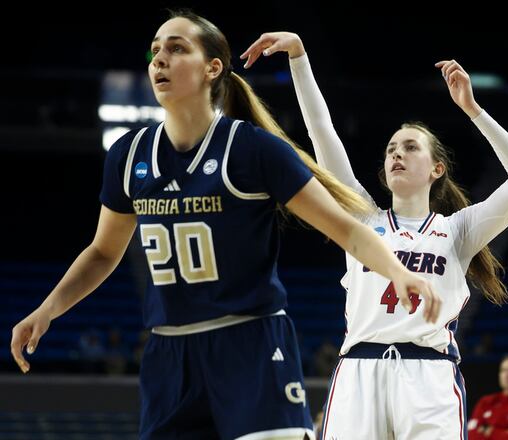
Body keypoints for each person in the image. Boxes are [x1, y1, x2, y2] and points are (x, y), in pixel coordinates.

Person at [9, 10, 440, 440]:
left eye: (177, 49)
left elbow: (345, 228)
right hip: (169, 353)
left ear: (212, 68)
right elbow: (103, 252)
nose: (160, 59)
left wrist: (399, 273)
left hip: (251, 342)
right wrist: (48, 310)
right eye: (155, 50)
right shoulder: (129, 156)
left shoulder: (253, 150)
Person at [241, 32, 508, 439]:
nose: (397, 153)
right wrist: (299, 57)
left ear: (437, 169)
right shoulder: (362, 218)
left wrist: (473, 110)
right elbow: (320, 130)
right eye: (391, 149)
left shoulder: (457, 230)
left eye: (410, 148)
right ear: (383, 171)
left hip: (429, 376)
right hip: (359, 371)